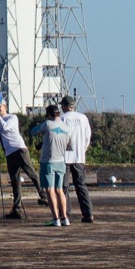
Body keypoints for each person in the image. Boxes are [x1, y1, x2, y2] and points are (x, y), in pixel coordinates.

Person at [0, 96, 43, 220]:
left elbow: (5, 127)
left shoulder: (12, 118)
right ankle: (17, 209)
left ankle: (43, 194)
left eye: (0, 107)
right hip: (9, 153)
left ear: (5, 107)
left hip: (19, 149)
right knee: (15, 181)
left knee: (31, 172)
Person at [29, 104, 72, 227]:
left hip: (48, 162)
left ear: (49, 114)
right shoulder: (67, 128)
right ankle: (65, 218)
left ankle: (55, 219)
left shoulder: (47, 124)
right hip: (61, 162)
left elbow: (33, 132)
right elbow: (70, 147)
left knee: (50, 190)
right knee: (59, 190)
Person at [58, 95, 94, 223]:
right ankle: (88, 214)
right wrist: (82, 150)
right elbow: (87, 137)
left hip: (64, 157)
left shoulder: (62, 118)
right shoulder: (83, 118)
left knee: (63, 187)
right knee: (81, 186)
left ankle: (65, 213)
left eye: (62, 105)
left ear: (65, 106)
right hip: (79, 157)